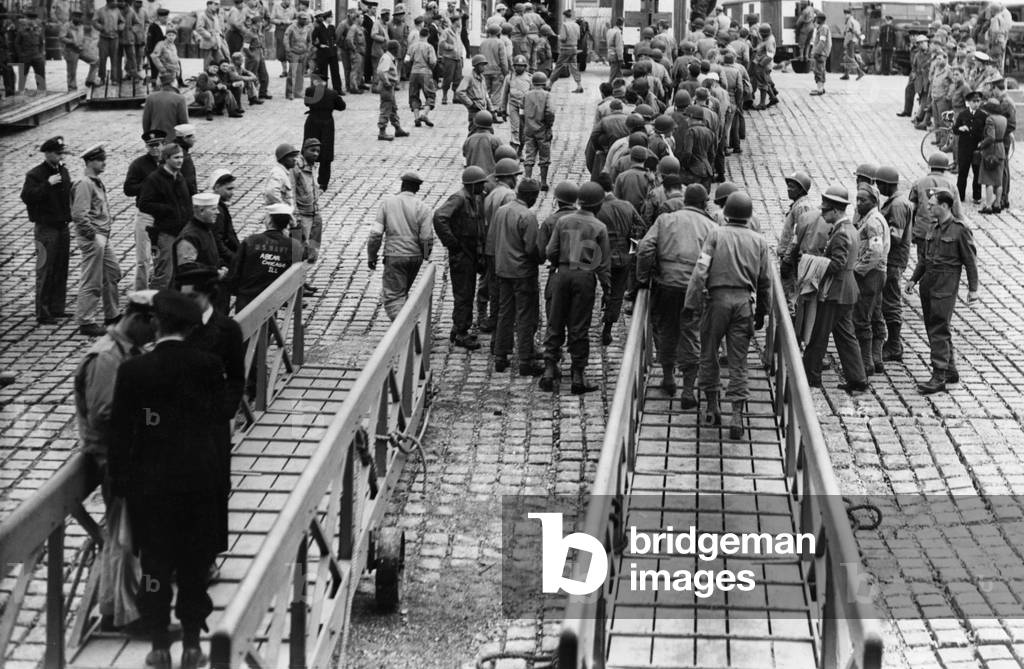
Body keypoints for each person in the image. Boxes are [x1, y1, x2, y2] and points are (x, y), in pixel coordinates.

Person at [109, 289, 228, 669]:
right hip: (200, 485)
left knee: (156, 568)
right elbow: (218, 428)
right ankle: (193, 644)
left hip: (152, 490)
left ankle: (159, 644)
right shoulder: (208, 366)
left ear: (158, 323)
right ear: (191, 327)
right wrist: (221, 480)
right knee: (194, 565)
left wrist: (121, 486)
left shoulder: (133, 371)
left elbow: (120, 436)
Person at [683, 191, 770, 437]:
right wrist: (763, 310)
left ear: (727, 213)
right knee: (739, 360)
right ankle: (737, 417)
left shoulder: (715, 235)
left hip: (716, 302)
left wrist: (691, 303)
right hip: (744, 303)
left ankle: (712, 408)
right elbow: (765, 281)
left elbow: (701, 270)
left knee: (708, 353)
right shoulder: (759, 241)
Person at [540, 181, 610, 394]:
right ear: (598, 205)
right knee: (579, 325)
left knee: (555, 320)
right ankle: (578, 375)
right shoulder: (599, 227)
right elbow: (603, 263)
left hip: (562, 273)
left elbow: (550, 251)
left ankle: (549, 370)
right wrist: (607, 288)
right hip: (585, 276)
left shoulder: (563, 221)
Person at [905, 189, 978, 394]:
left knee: (938, 326)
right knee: (934, 326)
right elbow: (924, 259)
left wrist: (973, 290)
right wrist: (913, 279)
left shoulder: (960, 230)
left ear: (944, 206)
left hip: (946, 284)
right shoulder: (933, 227)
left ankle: (939, 375)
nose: (927, 207)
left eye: (932, 204)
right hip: (928, 282)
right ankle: (950, 369)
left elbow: (970, 262)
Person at [801, 184, 868, 393]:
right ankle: (858, 379)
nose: (822, 213)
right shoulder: (850, 229)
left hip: (835, 292)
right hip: (847, 291)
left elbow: (837, 264)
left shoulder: (840, 234)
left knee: (818, 335)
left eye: (825, 210)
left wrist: (811, 262)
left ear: (836, 211)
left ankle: (810, 377)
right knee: (846, 336)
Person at [490, 178, 544, 375]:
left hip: (503, 270)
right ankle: (525, 359)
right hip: (523, 273)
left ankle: (500, 356)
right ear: (530, 196)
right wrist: (541, 257)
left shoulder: (501, 211)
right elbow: (531, 248)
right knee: (525, 316)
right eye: (535, 197)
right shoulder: (527, 216)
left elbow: (493, 238)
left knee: (505, 313)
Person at [433, 166, 488, 350]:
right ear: (472, 185)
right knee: (464, 294)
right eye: (480, 184)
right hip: (462, 253)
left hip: (471, 252)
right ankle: (461, 332)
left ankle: (459, 327)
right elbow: (440, 217)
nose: (483, 186)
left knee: (468, 291)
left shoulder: (475, 198)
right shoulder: (459, 199)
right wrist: (452, 243)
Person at [368, 172, 434, 320]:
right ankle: (408, 326)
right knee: (403, 294)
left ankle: (405, 331)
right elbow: (427, 238)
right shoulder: (424, 208)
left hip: (394, 255)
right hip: (414, 257)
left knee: (394, 297)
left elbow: (375, 235)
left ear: (402, 185)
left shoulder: (387, 204)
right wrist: (424, 255)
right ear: (417, 189)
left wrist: (372, 256)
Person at [72, 145, 122, 338]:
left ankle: (113, 314)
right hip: (93, 238)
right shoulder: (84, 183)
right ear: (91, 161)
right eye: (101, 160)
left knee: (112, 272)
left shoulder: (95, 181)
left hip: (102, 236)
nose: (104, 162)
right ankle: (86, 321)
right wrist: (94, 236)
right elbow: (79, 215)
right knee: (92, 279)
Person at [22, 136, 73, 325]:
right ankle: (43, 312)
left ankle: (57, 308)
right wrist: (47, 184)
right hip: (45, 229)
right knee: (45, 269)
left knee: (61, 267)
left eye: (62, 154)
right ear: (48, 153)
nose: (60, 157)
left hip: (62, 226)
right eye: (58, 154)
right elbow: (27, 197)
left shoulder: (63, 171)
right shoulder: (35, 175)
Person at [229, 203, 305, 311]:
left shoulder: (250, 241)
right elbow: (304, 255)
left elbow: (235, 270)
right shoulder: (294, 245)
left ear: (269, 221)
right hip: (274, 298)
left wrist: (235, 290)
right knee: (269, 325)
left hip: (247, 297)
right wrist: (295, 227)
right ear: (288, 223)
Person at [597, 174, 644, 346]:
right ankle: (607, 328)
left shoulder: (596, 208)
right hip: (623, 256)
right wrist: (631, 251)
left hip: (601, 257)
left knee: (602, 285)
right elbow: (640, 229)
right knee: (618, 292)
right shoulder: (627, 206)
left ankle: (604, 298)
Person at [138, 142, 192, 289]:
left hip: (182, 232)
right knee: (164, 274)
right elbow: (144, 204)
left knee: (179, 273)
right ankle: (153, 306)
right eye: (176, 157)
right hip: (165, 233)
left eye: (181, 157)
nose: (180, 161)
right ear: (166, 158)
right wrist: (167, 209)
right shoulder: (155, 179)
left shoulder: (179, 177)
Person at [875, 165, 913, 363]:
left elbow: (896, 236)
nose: (878, 187)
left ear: (887, 184)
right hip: (892, 259)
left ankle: (895, 345)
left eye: (879, 183)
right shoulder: (897, 201)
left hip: (893, 260)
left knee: (890, 301)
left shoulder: (897, 205)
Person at [851, 186, 890, 376]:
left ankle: (866, 362)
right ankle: (876, 359)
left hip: (870, 274)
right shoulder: (870, 218)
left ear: (874, 202)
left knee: (861, 317)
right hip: (876, 273)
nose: (858, 204)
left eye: (863, 200)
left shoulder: (873, 222)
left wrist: (858, 269)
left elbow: (875, 251)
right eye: (857, 199)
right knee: (875, 314)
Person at [123, 130, 166, 290]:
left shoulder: (168, 162)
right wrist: (149, 184)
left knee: (161, 258)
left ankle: (159, 291)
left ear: (164, 144)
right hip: (146, 216)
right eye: (151, 146)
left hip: (164, 217)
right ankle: (140, 294)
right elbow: (128, 189)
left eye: (157, 145)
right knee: (143, 259)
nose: (155, 149)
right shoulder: (138, 164)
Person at [173, 193, 230, 308]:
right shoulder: (189, 237)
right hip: (197, 299)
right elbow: (186, 268)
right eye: (213, 209)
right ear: (201, 211)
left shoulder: (206, 229)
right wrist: (215, 272)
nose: (217, 212)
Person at [909, 153, 963, 253]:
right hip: (945, 232)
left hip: (923, 231)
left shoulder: (919, 183)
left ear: (930, 166)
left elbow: (912, 209)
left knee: (922, 261)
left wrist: (912, 231)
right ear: (945, 168)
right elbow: (958, 213)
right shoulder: (951, 185)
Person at [302, 73, 346, 187]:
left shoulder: (309, 91)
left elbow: (306, 103)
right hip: (327, 124)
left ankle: (305, 177)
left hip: (312, 122)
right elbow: (342, 106)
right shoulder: (332, 93)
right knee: (326, 152)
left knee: (309, 148)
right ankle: (323, 181)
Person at [521, 71, 554, 190]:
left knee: (529, 155)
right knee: (544, 156)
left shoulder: (526, 95)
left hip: (529, 129)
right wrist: (549, 125)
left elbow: (521, 112)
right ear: (544, 83)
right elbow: (550, 112)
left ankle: (527, 179)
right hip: (542, 129)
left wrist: (526, 123)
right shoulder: (547, 95)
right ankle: (544, 182)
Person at [977, 98, 1007, 214]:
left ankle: (988, 206)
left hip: (991, 151)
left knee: (988, 180)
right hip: (1001, 149)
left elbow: (991, 137)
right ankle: (998, 204)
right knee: (998, 180)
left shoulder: (990, 119)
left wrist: (981, 145)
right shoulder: (1003, 119)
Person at [208, 168, 240, 268]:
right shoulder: (217, 211)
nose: (232, 193)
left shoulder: (220, 206)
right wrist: (234, 258)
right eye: (229, 189)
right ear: (217, 187)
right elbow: (218, 242)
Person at [142, 72, 189, 139]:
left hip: (155, 139)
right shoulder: (180, 99)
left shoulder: (150, 98)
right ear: (173, 82)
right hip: (173, 141)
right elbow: (184, 123)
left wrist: (148, 139)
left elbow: (145, 122)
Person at [376, 40, 407, 141]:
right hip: (387, 87)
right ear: (394, 49)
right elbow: (381, 71)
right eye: (398, 49)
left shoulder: (390, 58)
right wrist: (386, 82)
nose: (399, 51)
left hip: (390, 87)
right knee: (386, 108)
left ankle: (397, 128)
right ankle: (382, 132)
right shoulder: (387, 58)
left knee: (393, 108)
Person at [407, 26, 436, 126]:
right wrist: (431, 69)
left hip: (413, 72)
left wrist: (412, 67)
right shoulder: (429, 47)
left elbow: (407, 60)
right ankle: (424, 114)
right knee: (430, 95)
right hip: (425, 72)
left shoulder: (412, 46)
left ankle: (416, 118)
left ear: (419, 35)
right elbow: (432, 61)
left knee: (414, 95)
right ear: (428, 35)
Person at [548, 8, 583, 93]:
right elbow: (578, 37)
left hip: (565, 49)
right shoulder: (576, 25)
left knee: (558, 67)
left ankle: (549, 85)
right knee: (574, 67)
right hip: (574, 48)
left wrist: (558, 36)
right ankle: (579, 85)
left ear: (564, 16)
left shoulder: (565, 25)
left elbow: (563, 38)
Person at [93, 0, 124, 86]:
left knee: (114, 59)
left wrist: (119, 27)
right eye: (114, 1)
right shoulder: (100, 11)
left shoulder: (117, 11)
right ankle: (102, 78)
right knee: (102, 59)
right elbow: (94, 21)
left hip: (115, 38)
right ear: (109, 1)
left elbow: (122, 21)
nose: (116, 2)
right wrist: (101, 28)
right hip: (104, 38)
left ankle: (114, 79)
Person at [283, 11, 313, 99]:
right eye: (303, 19)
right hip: (294, 53)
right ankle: (289, 93)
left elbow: (310, 40)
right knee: (292, 74)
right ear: (298, 19)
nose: (305, 20)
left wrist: (308, 50)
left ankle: (298, 93)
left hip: (303, 54)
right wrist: (288, 50)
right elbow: (286, 39)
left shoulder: (307, 28)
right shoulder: (291, 28)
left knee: (300, 74)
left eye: (306, 19)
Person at [480, 24, 508, 114]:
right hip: (497, 71)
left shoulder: (483, 43)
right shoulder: (500, 43)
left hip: (484, 70)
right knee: (496, 92)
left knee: (485, 91)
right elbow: (503, 60)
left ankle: (485, 110)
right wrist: (506, 73)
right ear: (498, 33)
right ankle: (494, 111)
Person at [312, 10, 342, 91]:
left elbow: (335, 38)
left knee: (335, 71)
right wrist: (319, 45)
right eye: (331, 17)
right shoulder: (318, 28)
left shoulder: (332, 27)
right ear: (326, 18)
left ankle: (338, 89)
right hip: (323, 53)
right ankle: (323, 90)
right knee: (323, 72)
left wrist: (335, 44)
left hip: (332, 52)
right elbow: (313, 39)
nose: (332, 18)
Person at [271, 0, 295, 77]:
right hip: (280, 30)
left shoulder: (292, 7)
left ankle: (291, 71)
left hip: (290, 30)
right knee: (281, 50)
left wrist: (291, 21)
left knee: (290, 49)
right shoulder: (276, 7)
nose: (289, 1)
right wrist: (281, 21)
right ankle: (284, 70)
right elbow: (271, 19)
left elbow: (297, 18)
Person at [840, 8, 865, 81]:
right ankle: (846, 74)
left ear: (849, 14)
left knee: (850, 58)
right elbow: (858, 32)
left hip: (850, 41)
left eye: (846, 14)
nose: (845, 15)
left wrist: (845, 43)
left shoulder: (849, 21)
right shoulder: (855, 21)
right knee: (847, 57)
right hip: (854, 41)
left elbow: (849, 34)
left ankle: (860, 72)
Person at [809, 12, 830, 96]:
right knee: (821, 70)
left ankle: (819, 89)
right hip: (822, 52)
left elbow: (822, 42)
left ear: (819, 19)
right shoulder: (823, 27)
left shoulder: (823, 28)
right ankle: (821, 88)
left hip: (820, 53)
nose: (815, 20)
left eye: (816, 18)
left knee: (818, 71)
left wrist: (816, 52)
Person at [606, 17, 623, 82]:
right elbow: (619, 46)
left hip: (610, 54)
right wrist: (621, 58)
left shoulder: (610, 31)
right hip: (615, 56)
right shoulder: (618, 32)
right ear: (621, 25)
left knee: (619, 74)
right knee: (613, 75)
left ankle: (620, 88)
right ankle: (608, 88)